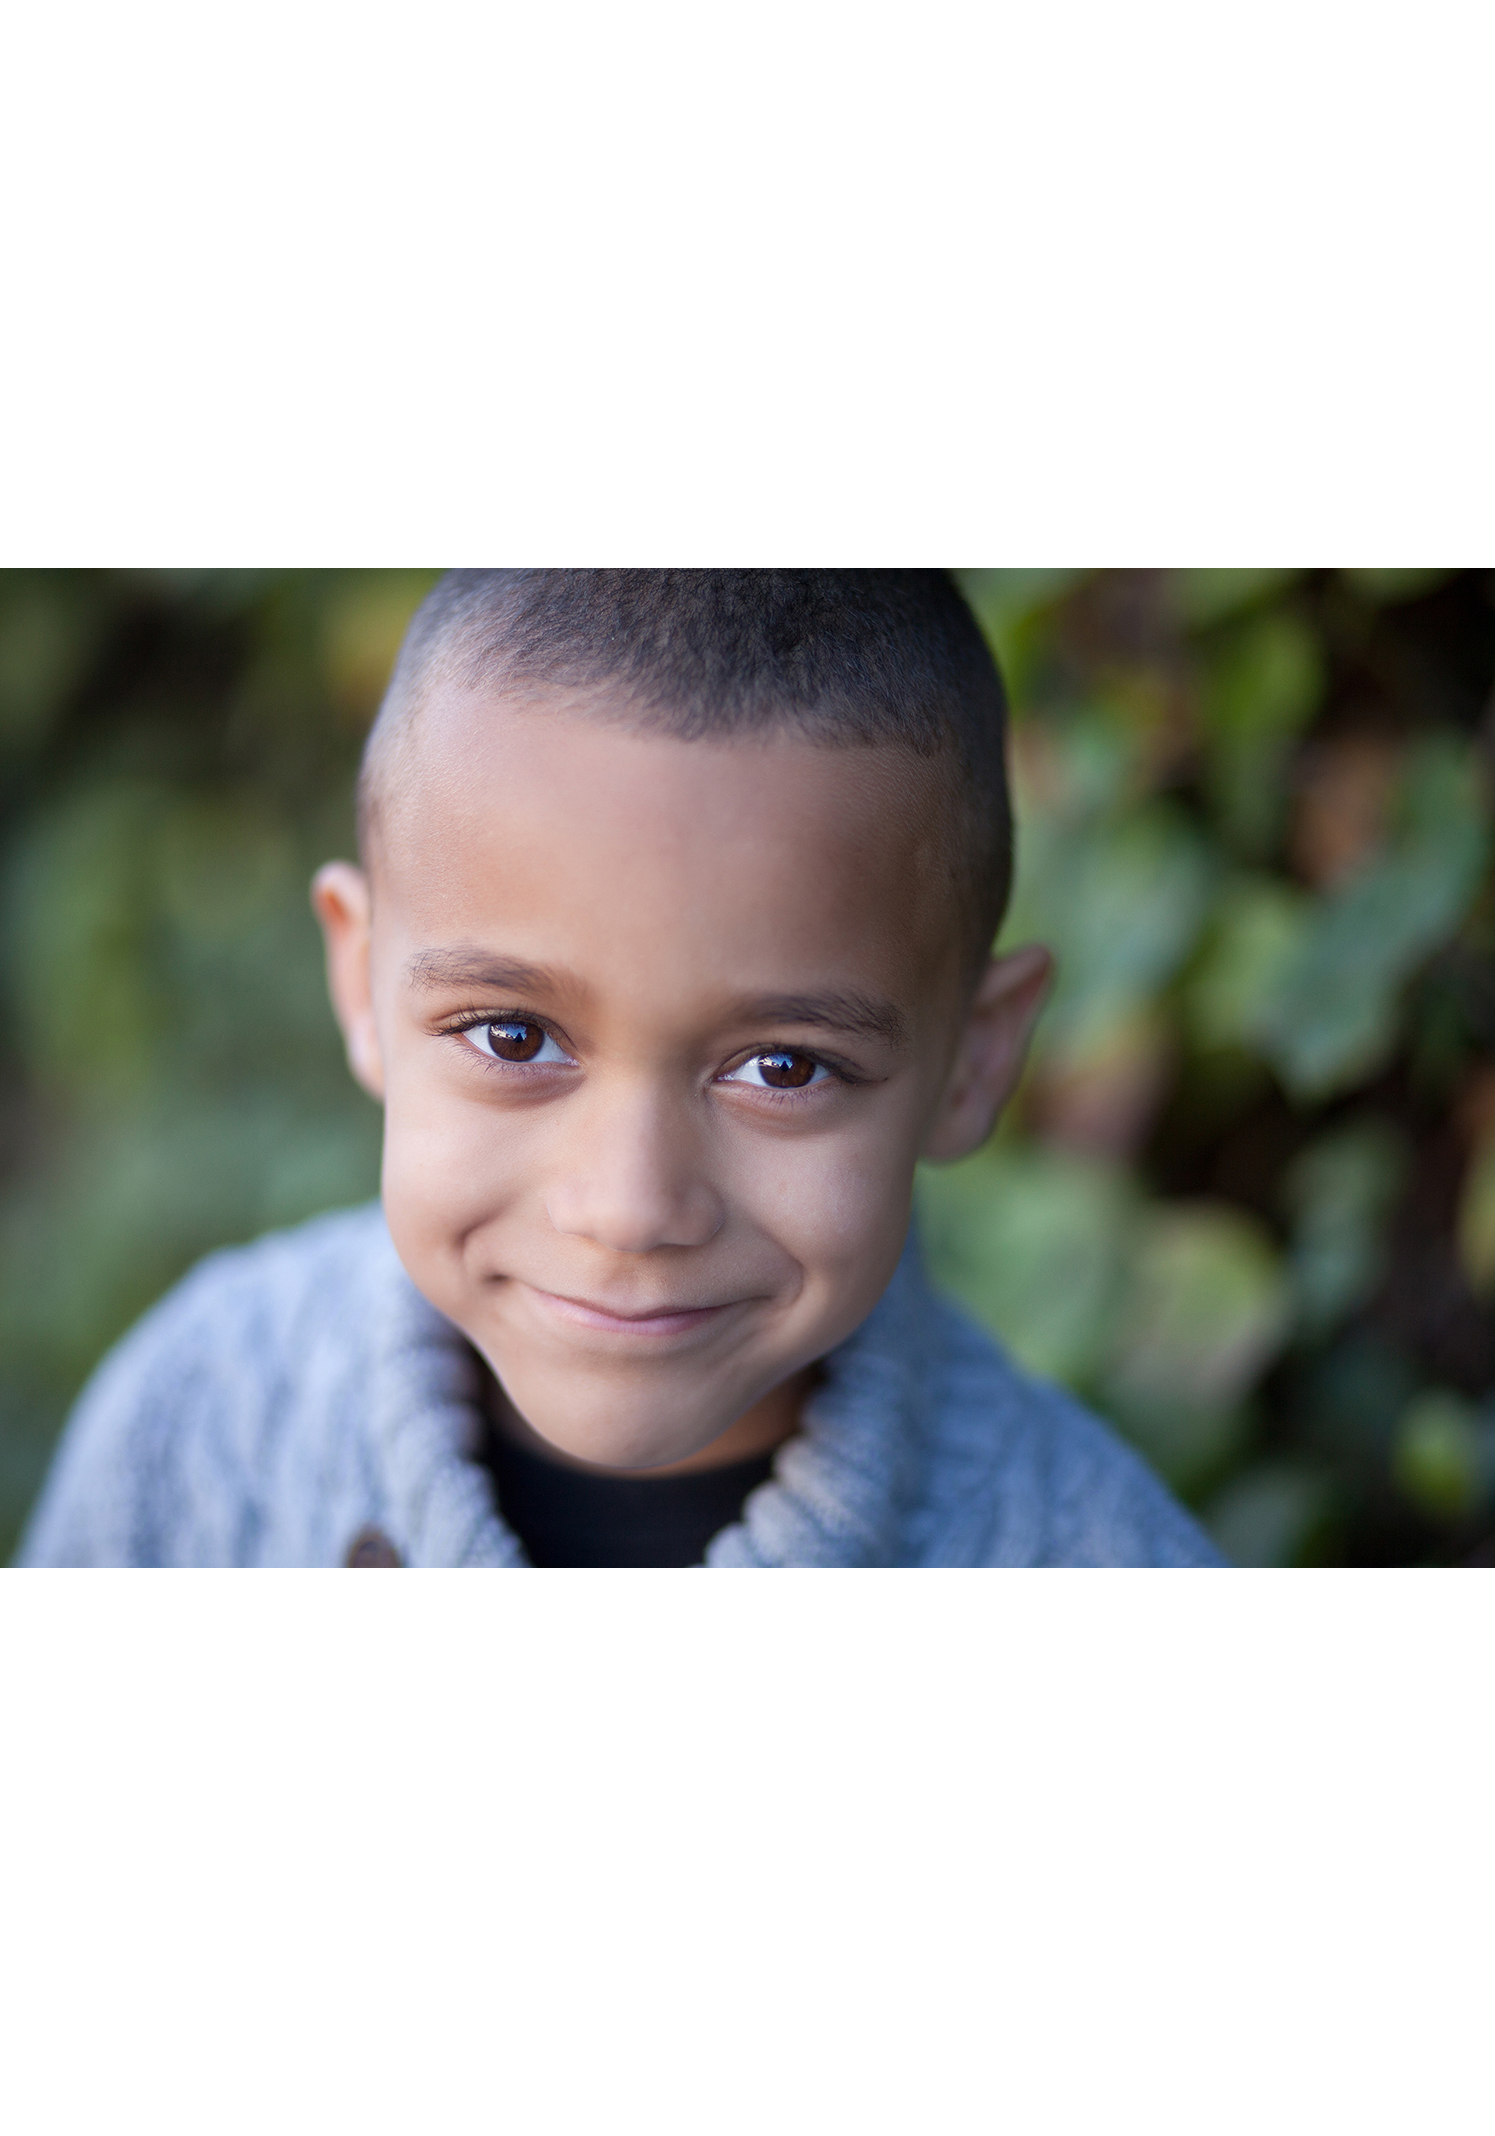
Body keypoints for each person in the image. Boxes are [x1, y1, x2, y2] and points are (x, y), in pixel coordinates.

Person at [20, 570, 1222, 1567]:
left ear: (971, 1059)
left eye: (784, 1066)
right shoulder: (196, 1428)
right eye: (512, 1037)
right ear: (362, 985)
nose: (629, 1209)